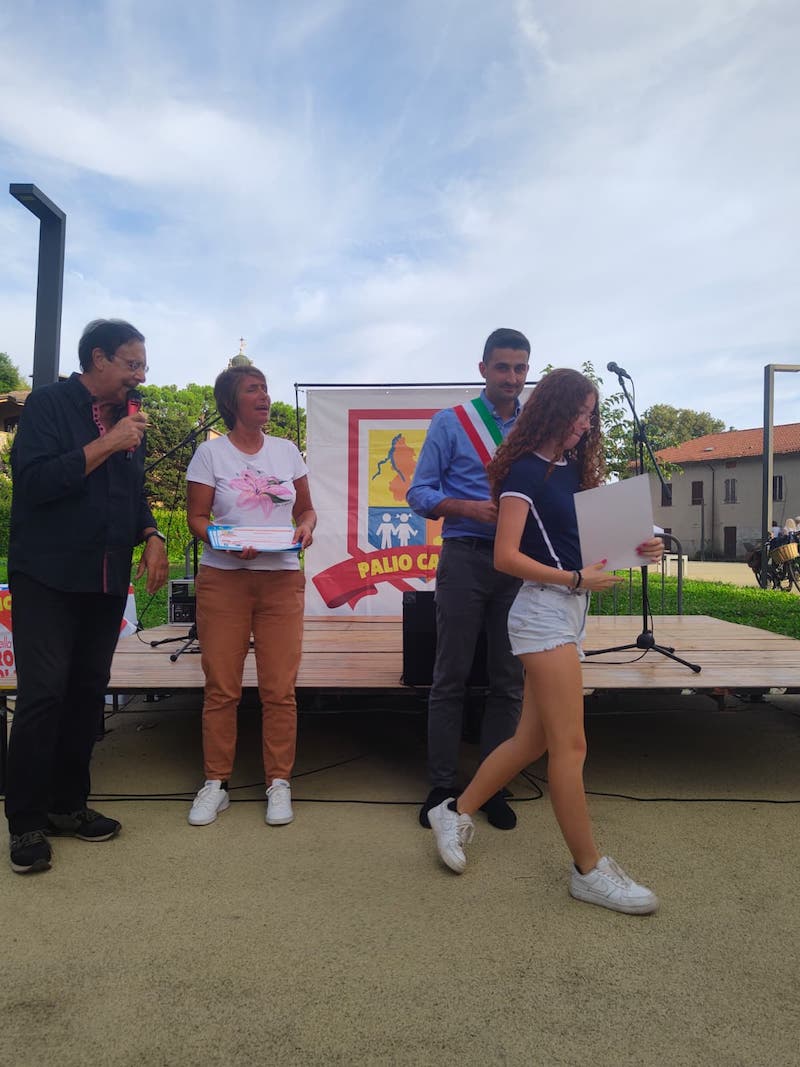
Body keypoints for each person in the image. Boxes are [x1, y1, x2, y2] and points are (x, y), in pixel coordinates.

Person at [426, 368, 664, 915]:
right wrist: (575, 579)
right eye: (578, 413)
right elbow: (505, 556)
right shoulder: (525, 471)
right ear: (553, 411)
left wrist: (640, 547)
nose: (584, 424)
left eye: (590, 415)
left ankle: (454, 812)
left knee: (530, 740)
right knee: (570, 746)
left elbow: (584, 547)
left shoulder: (572, 471)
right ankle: (588, 870)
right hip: (541, 613)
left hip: (567, 611)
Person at [5, 318, 168, 874]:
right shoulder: (49, 405)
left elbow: (132, 491)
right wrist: (108, 442)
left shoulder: (129, 419)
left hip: (105, 578)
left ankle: (67, 805)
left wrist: (152, 533)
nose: (140, 375)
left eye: (143, 366)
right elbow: (35, 482)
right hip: (47, 576)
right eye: (132, 364)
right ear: (98, 359)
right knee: (44, 694)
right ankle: (26, 821)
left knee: (86, 694)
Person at [407, 328, 530, 831]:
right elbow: (418, 493)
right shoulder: (451, 422)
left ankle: (491, 785)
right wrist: (468, 508)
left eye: (520, 368)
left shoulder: (535, 425)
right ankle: (441, 786)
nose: (512, 378)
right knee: (449, 676)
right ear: (483, 369)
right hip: (465, 557)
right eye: (502, 367)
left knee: (509, 680)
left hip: (519, 563)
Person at [186, 365, 315, 828]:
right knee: (222, 688)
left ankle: (278, 782)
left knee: (279, 689)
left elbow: (306, 510)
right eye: (253, 389)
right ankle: (215, 783)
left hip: (280, 579)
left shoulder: (287, 452)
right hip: (224, 580)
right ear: (231, 401)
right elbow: (197, 517)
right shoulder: (210, 453)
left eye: (265, 389)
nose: (264, 396)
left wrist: (305, 530)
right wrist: (222, 541)